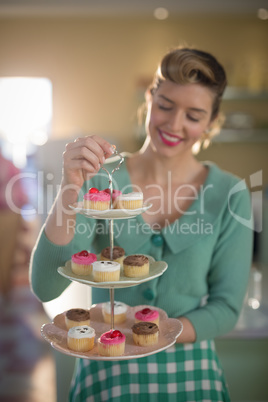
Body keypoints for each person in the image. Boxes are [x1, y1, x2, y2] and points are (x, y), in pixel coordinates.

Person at [30, 46, 253, 401]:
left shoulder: (229, 194)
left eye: (194, 115)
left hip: (191, 372)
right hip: (106, 367)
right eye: (165, 105)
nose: (174, 124)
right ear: (149, 98)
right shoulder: (101, 183)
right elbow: (45, 287)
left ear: (212, 123)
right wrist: (71, 187)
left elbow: (226, 307)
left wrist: (158, 332)